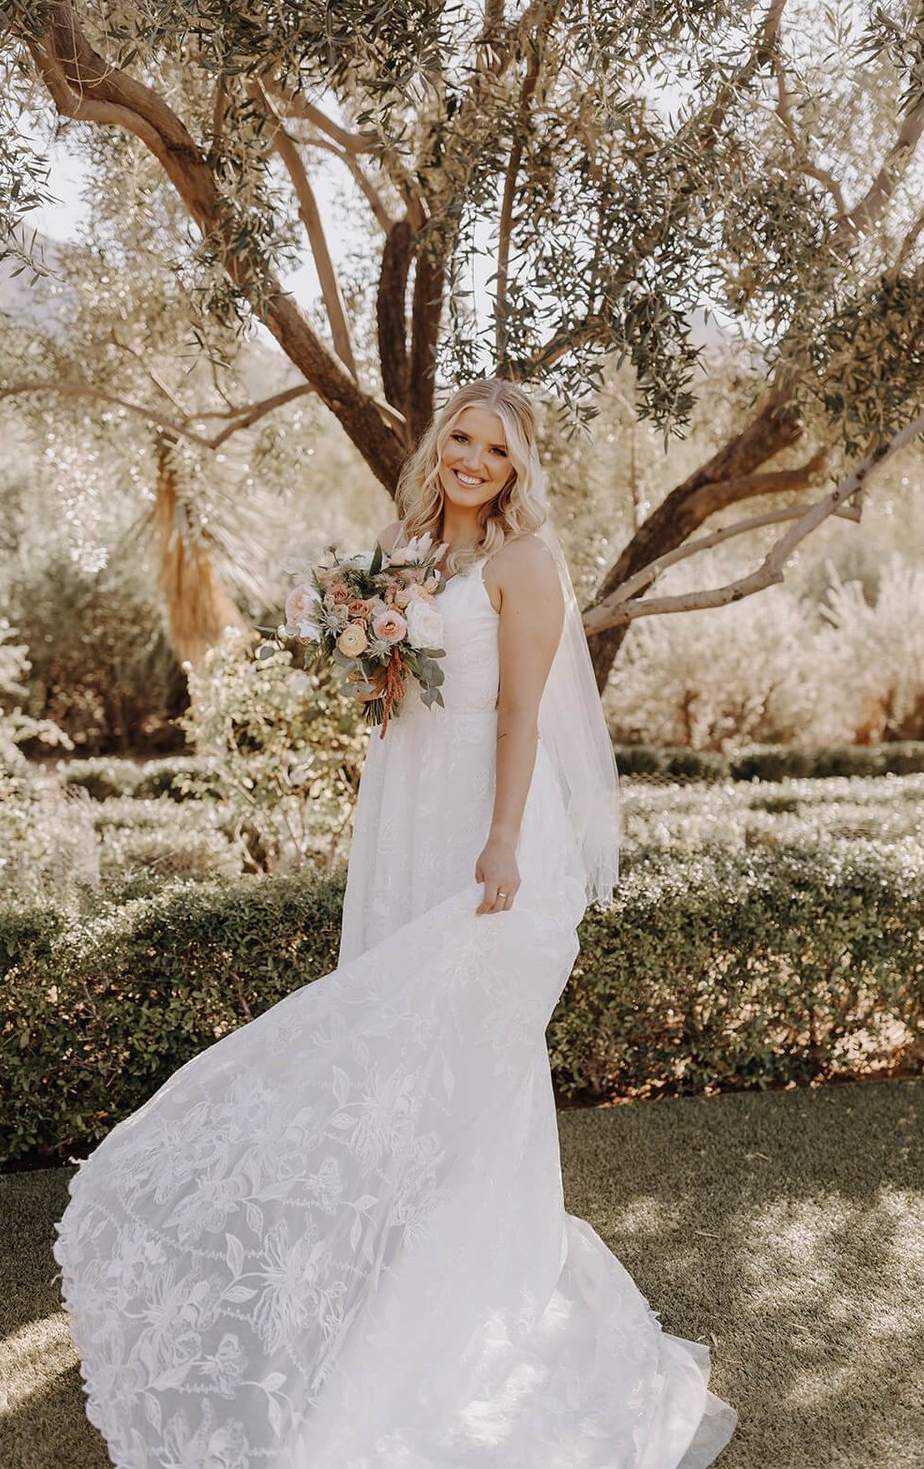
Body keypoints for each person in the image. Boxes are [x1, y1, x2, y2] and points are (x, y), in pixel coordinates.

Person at [53, 377, 737, 1468]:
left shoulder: (526, 563)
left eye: (494, 450)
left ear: (517, 469)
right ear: (439, 448)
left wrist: (505, 838)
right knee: (397, 1057)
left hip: (490, 820)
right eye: (460, 439)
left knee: (471, 1060)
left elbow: (519, 713)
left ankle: (468, 1303)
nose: (471, 460)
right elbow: (394, 695)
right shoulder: (400, 545)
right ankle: (381, 1276)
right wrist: (367, 655)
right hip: (406, 807)